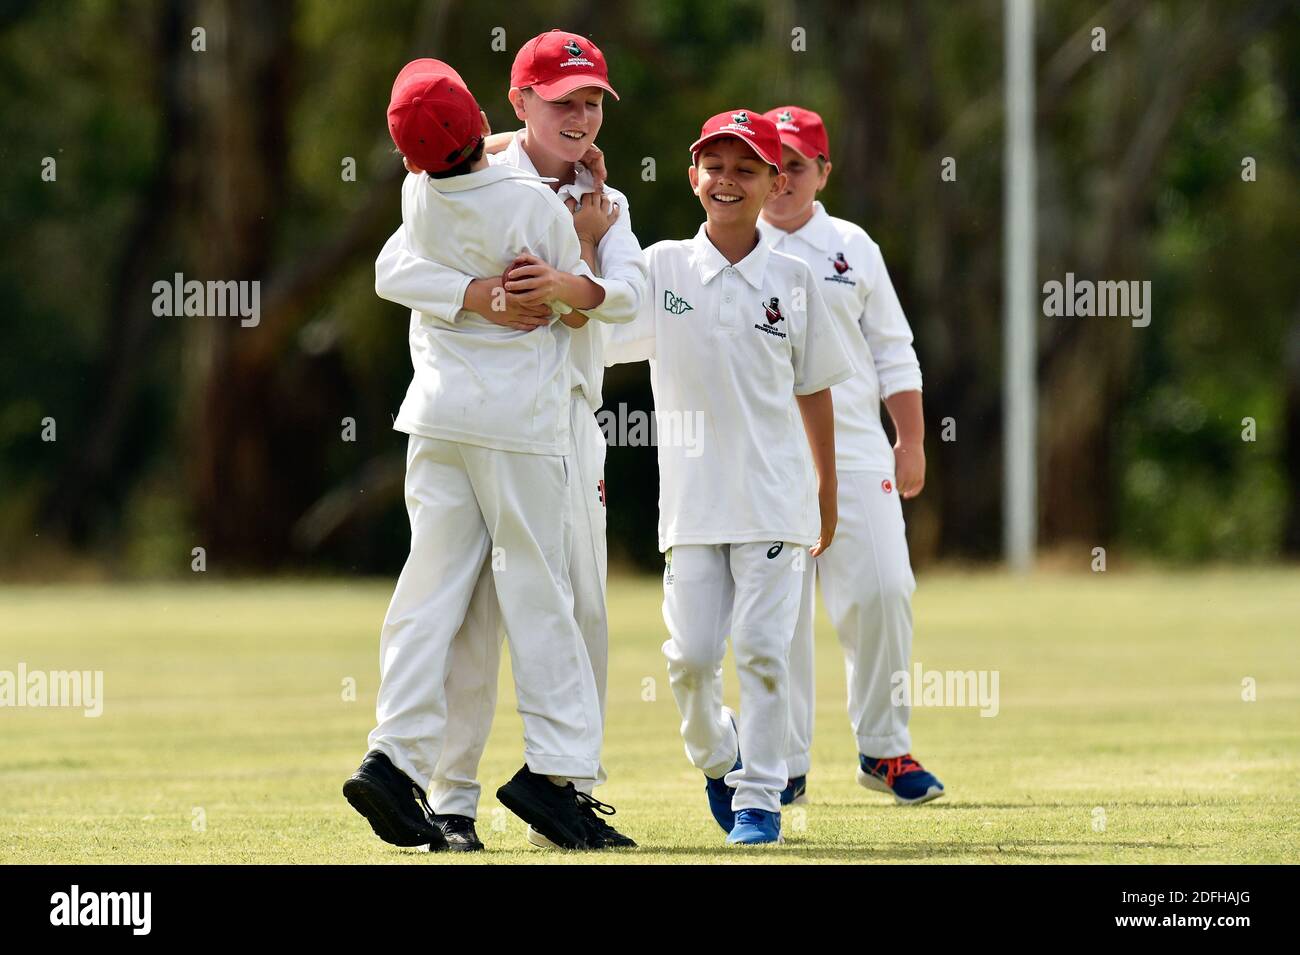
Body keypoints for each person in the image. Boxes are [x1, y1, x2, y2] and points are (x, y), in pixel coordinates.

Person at [373, 30, 646, 852]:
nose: (584, 117)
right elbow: (395, 269)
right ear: (517, 101)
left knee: (577, 602)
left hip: (554, 420)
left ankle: (560, 783)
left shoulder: (603, 199)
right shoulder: (468, 181)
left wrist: (577, 272)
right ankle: (459, 796)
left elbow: (625, 296)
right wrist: (482, 293)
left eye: (594, 101)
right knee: (486, 613)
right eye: (565, 101)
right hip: (515, 424)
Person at [605, 109, 853, 845]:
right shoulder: (662, 267)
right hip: (690, 505)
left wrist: (827, 490)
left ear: (776, 181)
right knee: (688, 660)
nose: (727, 180)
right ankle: (721, 757)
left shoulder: (796, 278)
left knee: (766, 653)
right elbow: (601, 329)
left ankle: (760, 796)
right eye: (715, 166)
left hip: (775, 501)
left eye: (746, 169)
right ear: (692, 178)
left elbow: (816, 388)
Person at [759, 105, 944, 806]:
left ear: (822, 171)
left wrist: (913, 439)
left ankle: (884, 748)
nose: (780, 181)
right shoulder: (729, 243)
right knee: (781, 615)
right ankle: (783, 764)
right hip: (771, 449)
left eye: (795, 167)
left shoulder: (852, 246)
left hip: (859, 444)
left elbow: (893, 349)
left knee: (884, 588)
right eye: (770, 167)